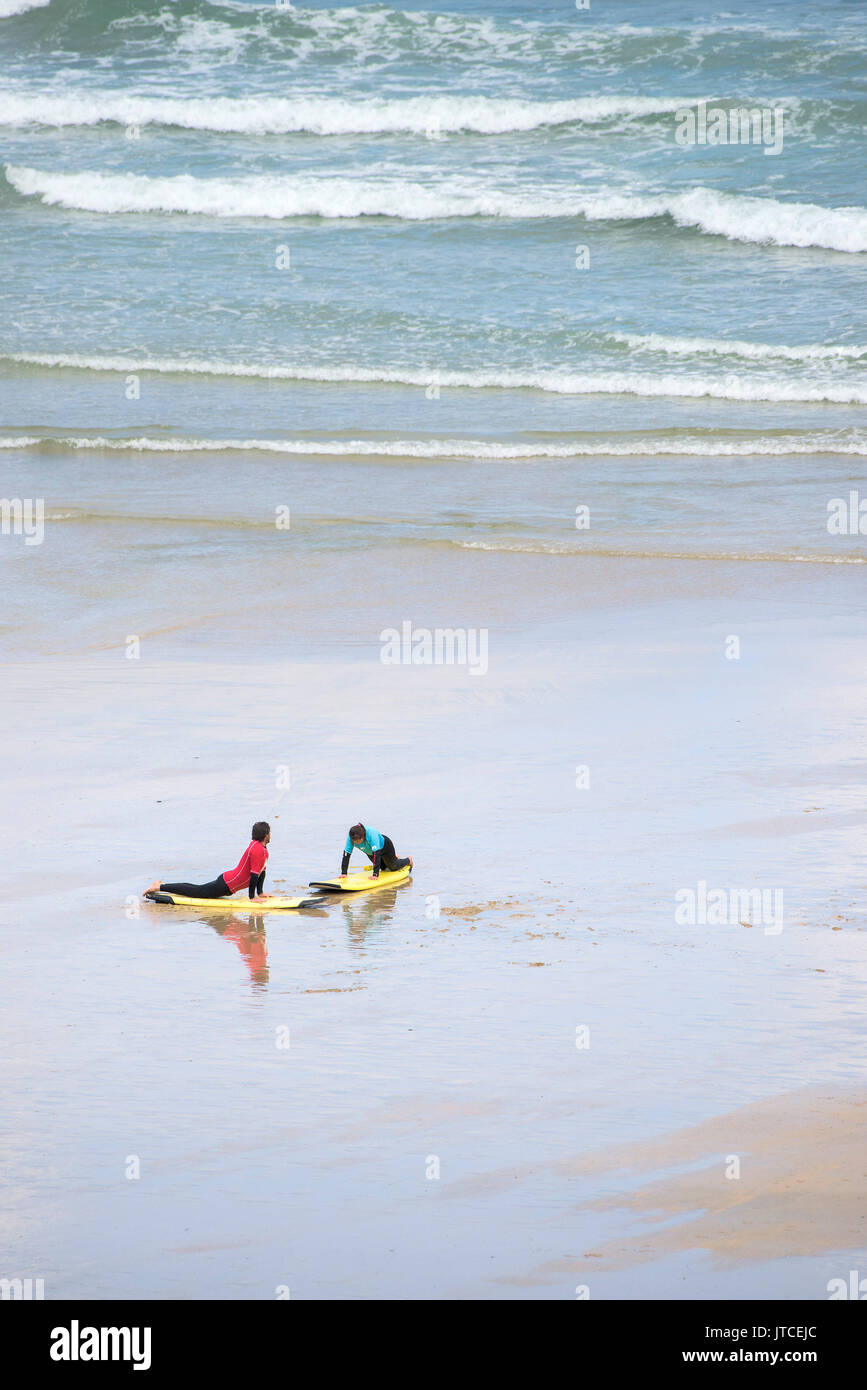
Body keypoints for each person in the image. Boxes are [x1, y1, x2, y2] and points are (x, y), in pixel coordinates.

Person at [144, 822, 271, 901]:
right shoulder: (257, 850)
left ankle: (162, 884)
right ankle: (160, 886)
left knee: (198, 889)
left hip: (228, 883)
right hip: (227, 883)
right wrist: (252, 897)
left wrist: (260, 893)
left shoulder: (262, 850)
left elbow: (261, 872)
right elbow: (254, 875)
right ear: (266, 835)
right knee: (197, 892)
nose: (270, 835)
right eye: (269, 833)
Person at [341, 822, 412, 880]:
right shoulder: (350, 838)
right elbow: (346, 855)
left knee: (393, 867)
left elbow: (376, 854)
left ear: (363, 836)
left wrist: (375, 875)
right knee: (383, 868)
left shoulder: (371, 833)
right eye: (354, 841)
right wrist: (344, 873)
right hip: (371, 852)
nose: (356, 843)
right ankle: (395, 858)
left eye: (358, 841)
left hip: (385, 847)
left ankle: (408, 859)